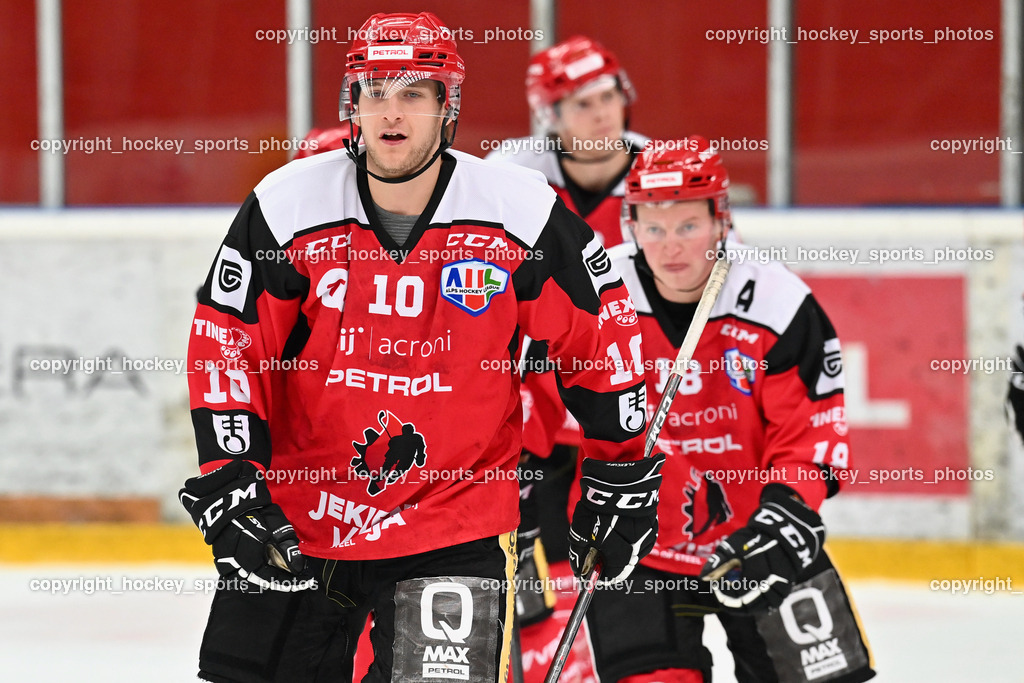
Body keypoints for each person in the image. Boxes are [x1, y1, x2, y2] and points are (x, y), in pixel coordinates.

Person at [178, 12, 661, 683]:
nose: (391, 111)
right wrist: (230, 477)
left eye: (413, 92)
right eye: (375, 90)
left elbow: (601, 335)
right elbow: (227, 346)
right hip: (301, 523)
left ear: (446, 105)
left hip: (451, 526)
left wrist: (617, 471)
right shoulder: (287, 204)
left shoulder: (517, 210)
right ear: (354, 105)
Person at [571, 137, 875, 682]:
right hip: (639, 550)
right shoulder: (594, 296)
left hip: (756, 537)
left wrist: (786, 518)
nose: (671, 247)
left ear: (721, 221)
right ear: (630, 225)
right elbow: (545, 413)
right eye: (654, 227)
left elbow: (810, 436)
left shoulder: (779, 303)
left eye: (688, 226)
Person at [486, 35, 648, 249]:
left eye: (608, 96)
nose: (601, 114)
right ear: (552, 116)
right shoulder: (510, 171)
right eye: (583, 104)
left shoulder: (659, 171)